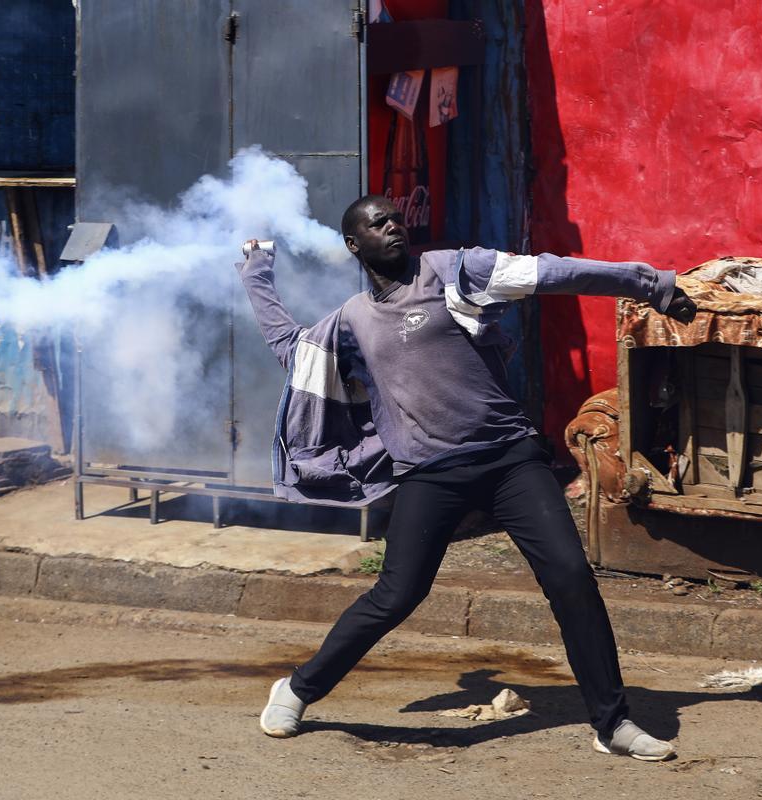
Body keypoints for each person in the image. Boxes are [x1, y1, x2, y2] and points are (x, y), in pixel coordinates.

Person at [237, 195, 697, 762]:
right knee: (397, 594)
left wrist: (648, 283)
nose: (393, 226)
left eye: (395, 218)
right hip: (430, 476)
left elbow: (549, 271)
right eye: (377, 223)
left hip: (510, 460)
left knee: (572, 578)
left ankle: (613, 723)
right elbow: (293, 349)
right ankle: (299, 688)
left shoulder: (455, 271)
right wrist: (257, 274)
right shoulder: (352, 320)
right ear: (355, 245)